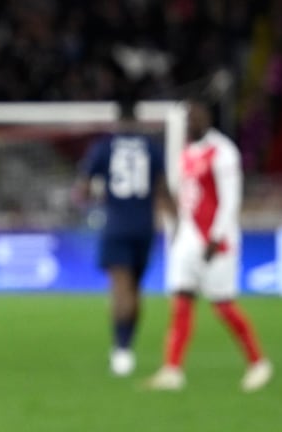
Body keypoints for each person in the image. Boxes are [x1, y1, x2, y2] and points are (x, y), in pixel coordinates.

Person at [144, 99, 273, 391]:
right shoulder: (187, 153)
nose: (188, 123)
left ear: (206, 119)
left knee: (223, 307)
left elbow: (230, 199)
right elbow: (185, 198)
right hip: (187, 240)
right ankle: (172, 371)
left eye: (193, 118)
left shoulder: (224, 152)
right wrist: (176, 229)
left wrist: (215, 237)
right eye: (186, 118)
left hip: (216, 242)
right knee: (180, 302)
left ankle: (258, 363)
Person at [74, 98, 176, 377]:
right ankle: (127, 345)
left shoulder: (104, 148)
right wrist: (177, 223)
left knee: (120, 287)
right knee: (135, 289)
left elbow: (82, 189)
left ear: (117, 121)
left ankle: (121, 350)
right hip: (145, 226)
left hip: (116, 224)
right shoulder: (153, 149)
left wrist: (86, 198)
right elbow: (163, 189)